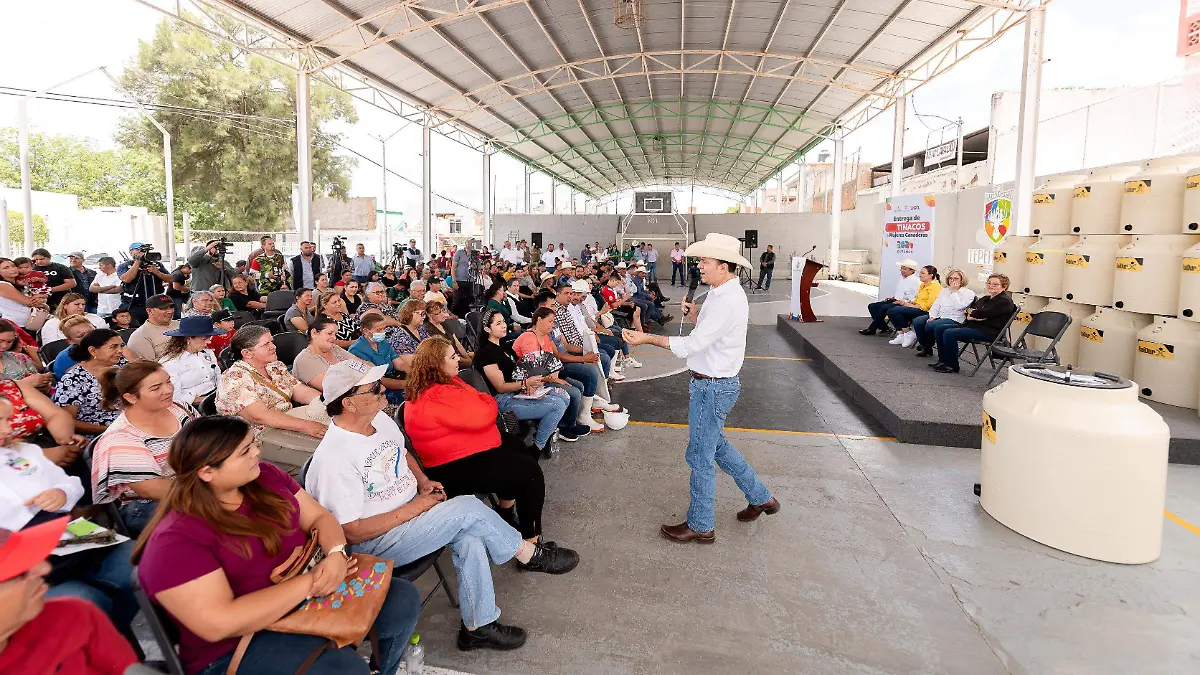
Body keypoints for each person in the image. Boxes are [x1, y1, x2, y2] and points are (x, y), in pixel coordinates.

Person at [306, 361, 566, 653]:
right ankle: (529, 554)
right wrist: (418, 507)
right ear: (350, 403)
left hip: (412, 513)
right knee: (467, 508)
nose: (383, 390)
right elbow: (351, 532)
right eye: (374, 388)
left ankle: (477, 627)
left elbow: (402, 452)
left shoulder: (378, 420)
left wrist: (422, 481)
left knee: (469, 533)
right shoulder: (334, 459)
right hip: (377, 541)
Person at [133, 416, 421, 675]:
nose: (256, 452)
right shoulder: (176, 541)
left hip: (304, 600)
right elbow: (220, 622)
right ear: (208, 472)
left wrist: (334, 554)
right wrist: (311, 582)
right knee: (344, 670)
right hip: (239, 644)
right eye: (244, 451)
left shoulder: (264, 477)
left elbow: (320, 518)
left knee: (401, 600)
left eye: (252, 444)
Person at [623, 233, 778, 544]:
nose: (699, 266)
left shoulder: (727, 299)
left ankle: (701, 524)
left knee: (700, 456)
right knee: (716, 447)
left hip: (712, 388)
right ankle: (761, 498)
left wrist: (647, 339)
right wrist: (695, 315)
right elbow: (709, 335)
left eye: (705, 262)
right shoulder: (721, 294)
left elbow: (694, 344)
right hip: (712, 385)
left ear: (724, 266)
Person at [404, 339, 580, 561]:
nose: (458, 358)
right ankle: (532, 549)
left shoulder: (445, 383)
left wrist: (483, 404)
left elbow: (481, 404)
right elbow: (485, 411)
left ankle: (505, 512)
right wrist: (485, 404)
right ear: (435, 365)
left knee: (514, 445)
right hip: (451, 468)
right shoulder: (435, 395)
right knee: (530, 475)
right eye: (451, 357)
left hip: (462, 450)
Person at [0, 517, 142, 675]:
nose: (43, 568)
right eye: (19, 571)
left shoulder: (72, 614)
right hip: (64, 569)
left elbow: (128, 668)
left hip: (78, 549)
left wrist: (65, 494)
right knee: (86, 595)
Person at [93, 360, 195, 535]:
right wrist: (212, 494)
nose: (168, 389)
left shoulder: (180, 409)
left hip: (192, 485)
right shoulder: (121, 437)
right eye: (156, 388)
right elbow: (150, 489)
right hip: (148, 505)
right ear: (131, 397)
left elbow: (207, 442)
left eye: (168, 381)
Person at [216, 325, 328, 468]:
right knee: (323, 453)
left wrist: (327, 403)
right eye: (266, 344)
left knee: (336, 432)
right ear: (247, 353)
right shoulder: (234, 378)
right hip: (258, 439)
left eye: (272, 342)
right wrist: (307, 426)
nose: (273, 346)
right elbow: (259, 416)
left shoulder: (274, 366)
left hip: (286, 422)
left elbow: (300, 391)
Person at [475, 310, 568, 455]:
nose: (504, 326)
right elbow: (500, 387)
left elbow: (519, 372)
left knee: (564, 396)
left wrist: (528, 386)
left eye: (504, 322)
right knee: (557, 405)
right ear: (487, 329)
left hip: (517, 392)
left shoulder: (504, 347)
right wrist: (525, 384)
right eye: (498, 323)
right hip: (502, 401)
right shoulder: (486, 353)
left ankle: (543, 436)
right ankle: (537, 449)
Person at [512, 308, 590, 442]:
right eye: (550, 321)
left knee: (578, 386)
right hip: (530, 382)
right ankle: (565, 427)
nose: (552, 325)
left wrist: (555, 377)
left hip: (544, 378)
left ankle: (568, 422)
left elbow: (551, 361)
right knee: (574, 392)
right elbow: (534, 370)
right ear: (539, 320)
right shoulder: (529, 338)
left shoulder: (545, 337)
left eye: (553, 321)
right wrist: (554, 379)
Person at [932, 273, 1017, 374]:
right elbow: (970, 310)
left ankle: (951, 365)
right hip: (973, 326)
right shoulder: (986, 298)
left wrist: (975, 315)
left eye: (995, 284)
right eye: (989, 283)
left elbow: (982, 313)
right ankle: (942, 360)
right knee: (939, 328)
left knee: (949, 333)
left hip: (988, 331)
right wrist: (974, 315)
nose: (991, 286)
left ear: (1004, 286)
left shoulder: (1004, 301)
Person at [52, 329, 124, 437]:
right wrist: (109, 429)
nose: (120, 351)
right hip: (100, 435)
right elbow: (68, 421)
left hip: (128, 424)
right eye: (113, 347)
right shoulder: (73, 380)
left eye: (121, 346)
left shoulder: (121, 365)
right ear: (93, 351)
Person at [159, 316, 224, 407]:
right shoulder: (170, 363)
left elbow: (218, 377)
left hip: (217, 396)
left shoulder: (207, 353)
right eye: (204, 338)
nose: (209, 342)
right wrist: (209, 401)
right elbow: (175, 397)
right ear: (188, 338)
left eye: (210, 337)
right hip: (193, 406)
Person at [914, 269, 976, 358]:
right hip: (940, 315)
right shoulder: (944, 290)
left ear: (962, 280)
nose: (952, 280)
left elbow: (959, 307)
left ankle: (929, 345)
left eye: (956, 278)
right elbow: (936, 305)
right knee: (918, 321)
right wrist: (932, 316)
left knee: (930, 326)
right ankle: (926, 346)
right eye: (950, 278)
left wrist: (954, 292)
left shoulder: (969, 293)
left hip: (954, 318)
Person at [348, 313, 407, 403]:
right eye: (379, 330)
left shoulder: (383, 343)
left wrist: (418, 375)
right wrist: (408, 384)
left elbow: (400, 363)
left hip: (392, 379)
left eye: (384, 329)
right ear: (366, 331)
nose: (383, 332)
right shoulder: (357, 350)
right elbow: (379, 381)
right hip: (376, 389)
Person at [292, 317, 361, 391]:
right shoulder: (304, 359)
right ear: (314, 333)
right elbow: (333, 387)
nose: (334, 338)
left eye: (335, 334)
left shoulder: (334, 348)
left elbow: (361, 364)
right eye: (329, 333)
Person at [860, 258, 922, 336]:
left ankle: (872, 328)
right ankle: (884, 327)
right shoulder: (902, 278)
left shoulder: (916, 281)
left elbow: (918, 295)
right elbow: (901, 292)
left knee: (884, 308)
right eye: (901, 268)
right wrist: (892, 297)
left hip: (904, 303)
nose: (902, 270)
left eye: (904, 269)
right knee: (872, 306)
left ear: (912, 270)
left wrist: (906, 302)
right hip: (896, 300)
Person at [885, 265, 943, 348]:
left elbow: (929, 305)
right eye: (920, 273)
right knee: (892, 310)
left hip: (925, 310)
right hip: (916, 307)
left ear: (931, 275)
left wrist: (908, 305)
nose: (920, 275)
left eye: (923, 273)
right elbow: (917, 299)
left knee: (895, 311)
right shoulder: (923, 285)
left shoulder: (935, 287)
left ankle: (908, 333)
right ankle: (902, 334)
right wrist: (909, 303)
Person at [117, 243, 173, 324]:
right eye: (139, 251)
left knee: (157, 325)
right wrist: (137, 262)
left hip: (155, 303)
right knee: (134, 327)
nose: (143, 253)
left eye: (145, 251)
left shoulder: (157, 265)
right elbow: (126, 279)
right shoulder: (125, 265)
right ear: (131, 252)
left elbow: (171, 279)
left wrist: (157, 272)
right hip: (133, 304)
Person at [0, 258, 50, 332]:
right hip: (15, 325)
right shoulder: (3, 285)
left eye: (13, 266)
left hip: (32, 323)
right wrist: (39, 299)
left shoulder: (21, 283)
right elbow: (29, 301)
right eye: (6, 268)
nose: (12, 269)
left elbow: (39, 300)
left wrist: (42, 299)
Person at [39, 292, 108, 344]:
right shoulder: (52, 323)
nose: (81, 307)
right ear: (65, 306)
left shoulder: (95, 319)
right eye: (77, 304)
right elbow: (50, 346)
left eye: (83, 304)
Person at [126, 294, 179, 361]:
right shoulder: (140, 336)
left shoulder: (180, 324)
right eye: (163, 308)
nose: (170, 311)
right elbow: (149, 367)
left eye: (171, 307)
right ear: (149, 311)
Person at [423, 301, 472, 365]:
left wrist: (467, 358)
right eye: (438, 313)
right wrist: (465, 361)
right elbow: (442, 354)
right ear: (429, 315)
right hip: (447, 361)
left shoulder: (444, 323)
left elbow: (457, 343)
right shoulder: (428, 330)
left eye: (442, 311)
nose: (443, 315)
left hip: (457, 357)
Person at [389, 299, 429, 370]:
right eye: (422, 313)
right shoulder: (399, 336)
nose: (424, 316)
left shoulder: (420, 329)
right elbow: (412, 363)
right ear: (409, 314)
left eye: (424, 313)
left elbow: (432, 347)